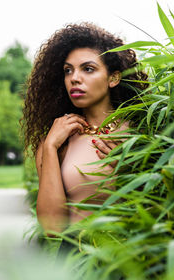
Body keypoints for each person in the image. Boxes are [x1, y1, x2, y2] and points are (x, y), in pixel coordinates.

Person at [22, 22, 148, 236]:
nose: (74, 78)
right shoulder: (56, 141)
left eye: (88, 69)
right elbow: (52, 228)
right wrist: (51, 147)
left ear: (113, 78)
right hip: (74, 260)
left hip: (129, 260)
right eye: (68, 71)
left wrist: (128, 176)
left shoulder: (141, 131)